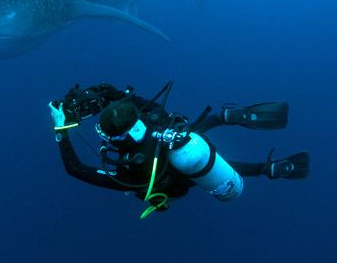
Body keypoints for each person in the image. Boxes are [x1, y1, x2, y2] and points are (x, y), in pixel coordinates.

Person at [49, 82, 310, 217]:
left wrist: (61, 130)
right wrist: (109, 92)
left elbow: (76, 169)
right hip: (183, 143)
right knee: (191, 141)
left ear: (114, 139)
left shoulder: (129, 172)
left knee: (198, 169)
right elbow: (130, 104)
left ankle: (270, 169)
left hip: (176, 186)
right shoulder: (153, 115)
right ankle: (223, 117)